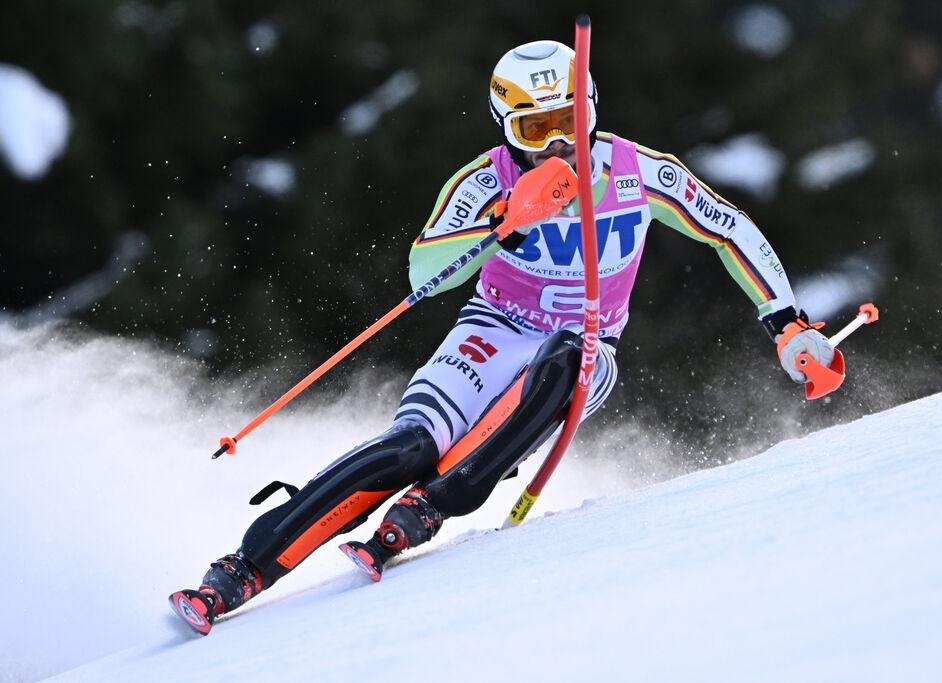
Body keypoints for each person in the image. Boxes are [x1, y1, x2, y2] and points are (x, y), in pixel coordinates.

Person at [169, 39, 835, 634]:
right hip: (493, 330)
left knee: (573, 360)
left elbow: (727, 226)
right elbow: (422, 270)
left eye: (567, 123)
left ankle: (434, 505)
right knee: (409, 447)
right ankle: (239, 570)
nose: (555, 144)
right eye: (534, 129)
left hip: (583, 343)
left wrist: (785, 324)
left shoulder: (637, 172)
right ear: (506, 127)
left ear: (591, 110)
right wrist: (502, 221)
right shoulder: (486, 180)